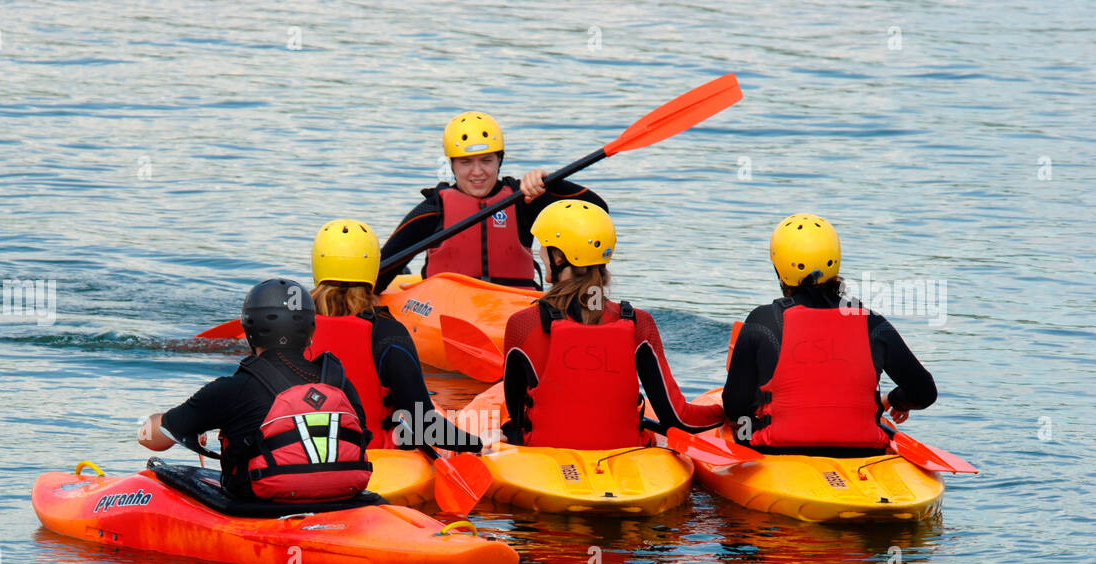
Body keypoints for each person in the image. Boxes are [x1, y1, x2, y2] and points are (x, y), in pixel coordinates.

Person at [501, 200, 724, 449]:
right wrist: (728, 411)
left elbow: (516, 413)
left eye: (543, 247)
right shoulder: (638, 323)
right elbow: (678, 419)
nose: (539, 254)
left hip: (546, 461)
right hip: (624, 457)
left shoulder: (523, 324)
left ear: (559, 256)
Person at [138, 279, 372, 502]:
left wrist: (161, 422)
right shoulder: (339, 383)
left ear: (250, 330)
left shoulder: (231, 389)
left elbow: (151, 439)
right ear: (310, 330)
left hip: (257, 507)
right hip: (343, 500)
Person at [722, 214, 937, 454]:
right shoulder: (871, 323)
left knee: (743, 424)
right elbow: (924, 392)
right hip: (861, 454)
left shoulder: (762, 321)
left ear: (778, 268)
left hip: (776, 451)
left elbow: (734, 407)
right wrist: (894, 400)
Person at [373, 111, 607, 292]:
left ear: (499, 160)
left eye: (486, 160)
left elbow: (598, 211)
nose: (477, 172)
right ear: (452, 166)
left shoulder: (523, 199)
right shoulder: (434, 209)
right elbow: (378, 275)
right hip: (445, 309)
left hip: (513, 305)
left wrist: (552, 183)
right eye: (466, 163)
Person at [306, 219, 483, 452]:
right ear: (372, 268)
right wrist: (478, 443)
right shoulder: (388, 333)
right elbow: (424, 425)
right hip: (373, 456)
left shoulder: (291, 327)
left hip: (301, 451)